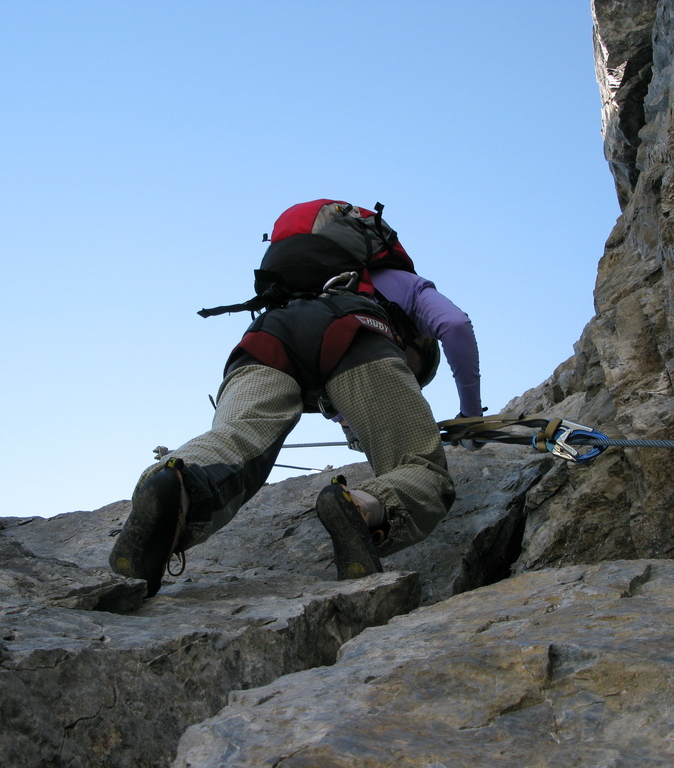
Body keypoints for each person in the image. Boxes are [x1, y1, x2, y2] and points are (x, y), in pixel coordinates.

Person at [109, 201, 482, 597]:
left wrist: (356, 431)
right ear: (415, 346)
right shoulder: (398, 283)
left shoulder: (298, 287)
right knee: (420, 467)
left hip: (266, 336)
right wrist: (471, 415)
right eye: (409, 371)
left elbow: (344, 401)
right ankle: (362, 507)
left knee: (235, 438)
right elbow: (454, 324)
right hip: (355, 332)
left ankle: (179, 486)